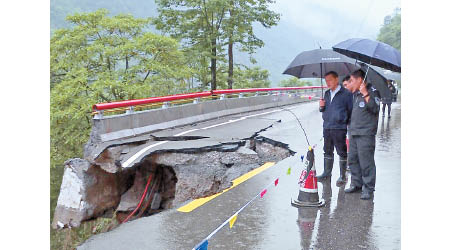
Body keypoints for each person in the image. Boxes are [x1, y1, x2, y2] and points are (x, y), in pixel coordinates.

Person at [344, 69, 381, 200]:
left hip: (366, 134)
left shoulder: (373, 92)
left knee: (366, 162)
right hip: (353, 133)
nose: (351, 83)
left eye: (352, 80)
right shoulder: (355, 94)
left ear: (360, 80)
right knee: (353, 160)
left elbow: (375, 109)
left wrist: (366, 93)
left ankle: (368, 188)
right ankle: (356, 184)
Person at [317, 71, 353, 185]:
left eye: (330, 80)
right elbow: (324, 109)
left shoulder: (346, 94)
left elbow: (350, 110)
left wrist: (344, 123)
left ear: (336, 79)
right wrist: (321, 107)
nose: (328, 83)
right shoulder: (327, 93)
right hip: (327, 126)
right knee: (327, 151)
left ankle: (343, 176)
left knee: (341, 151)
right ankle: (327, 173)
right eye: (326, 81)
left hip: (339, 127)